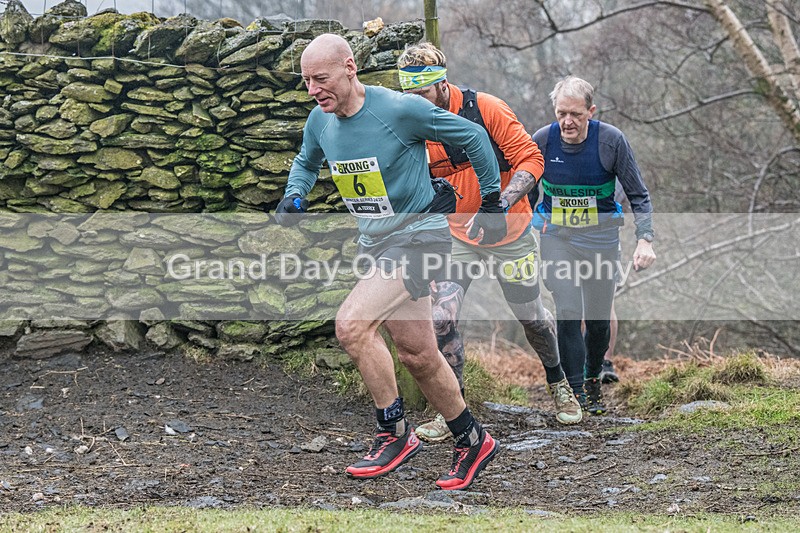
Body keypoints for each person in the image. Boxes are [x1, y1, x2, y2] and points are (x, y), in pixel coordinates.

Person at [274, 34, 502, 491]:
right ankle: (473, 440)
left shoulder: (400, 109)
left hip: (420, 238)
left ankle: (393, 432)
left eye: (321, 78)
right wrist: (294, 193)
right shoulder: (320, 121)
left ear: (350, 68)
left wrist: (492, 203)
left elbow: (475, 137)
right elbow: (306, 161)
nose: (313, 90)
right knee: (419, 355)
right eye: (306, 81)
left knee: (352, 326)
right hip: (377, 244)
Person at [397, 43, 582, 443]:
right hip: (455, 235)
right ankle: (450, 407)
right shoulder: (411, 121)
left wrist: (498, 205)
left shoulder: (487, 108)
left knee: (531, 317)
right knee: (442, 317)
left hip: (510, 231)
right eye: (408, 96)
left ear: (442, 84)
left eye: (423, 94)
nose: (416, 103)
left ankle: (558, 381)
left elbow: (532, 160)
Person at [529, 76, 656, 415]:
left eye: (575, 114)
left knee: (598, 322)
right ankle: (573, 393)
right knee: (569, 311)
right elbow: (526, 193)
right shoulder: (543, 140)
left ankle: (592, 378)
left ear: (591, 111)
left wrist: (645, 239)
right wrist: (517, 233)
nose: (567, 122)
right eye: (561, 114)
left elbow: (638, 194)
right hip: (557, 238)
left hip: (601, 241)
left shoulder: (611, 141)